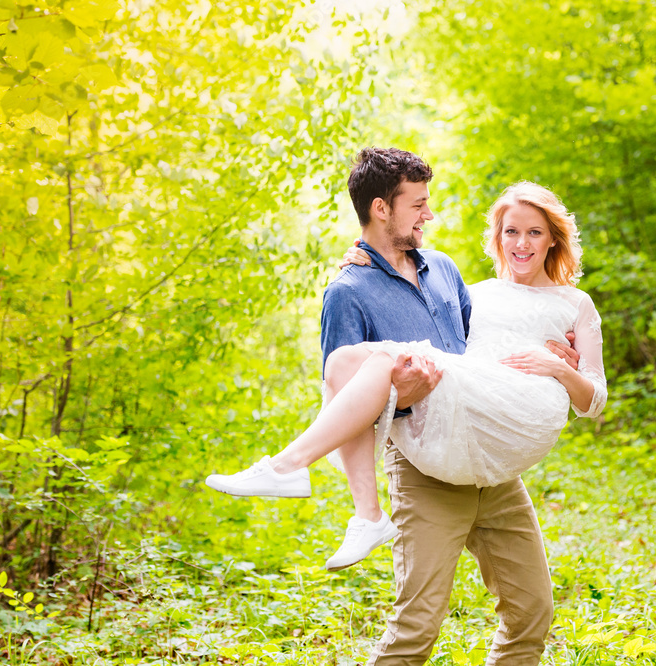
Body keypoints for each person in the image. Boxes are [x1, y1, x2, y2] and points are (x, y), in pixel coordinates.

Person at [206, 148, 606, 663]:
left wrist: (557, 359)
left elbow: (479, 348)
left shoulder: (443, 269)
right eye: (417, 204)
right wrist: (400, 397)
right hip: (426, 466)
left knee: (532, 611)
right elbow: (343, 395)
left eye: (427, 202)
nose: (429, 215)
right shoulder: (348, 290)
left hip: (493, 465)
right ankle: (318, 485)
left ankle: (290, 469)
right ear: (380, 208)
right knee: (417, 624)